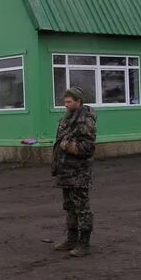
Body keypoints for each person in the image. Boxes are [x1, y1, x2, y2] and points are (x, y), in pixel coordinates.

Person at [51, 86, 97, 257]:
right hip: (66, 172)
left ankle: (84, 243)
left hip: (79, 173)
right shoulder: (67, 118)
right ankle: (71, 239)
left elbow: (88, 148)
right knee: (69, 206)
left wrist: (68, 146)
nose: (66, 104)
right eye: (65, 101)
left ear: (78, 102)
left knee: (82, 208)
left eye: (69, 101)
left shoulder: (85, 120)